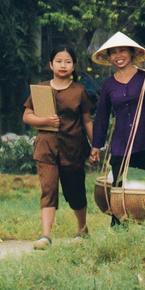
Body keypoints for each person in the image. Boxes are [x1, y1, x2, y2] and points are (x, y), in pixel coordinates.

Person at [87, 31, 145, 225]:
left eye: (122, 51)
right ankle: (119, 232)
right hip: (121, 146)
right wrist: (96, 145)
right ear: (109, 57)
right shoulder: (108, 85)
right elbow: (103, 116)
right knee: (119, 191)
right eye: (113, 52)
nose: (118, 56)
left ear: (131, 53)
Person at [21, 44, 94, 246]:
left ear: (74, 66)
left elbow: (87, 120)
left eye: (68, 62)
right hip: (46, 148)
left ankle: (82, 230)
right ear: (51, 64)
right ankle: (45, 235)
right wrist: (44, 121)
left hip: (73, 148)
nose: (63, 65)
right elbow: (27, 116)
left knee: (75, 190)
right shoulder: (40, 89)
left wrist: (96, 146)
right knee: (48, 189)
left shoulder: (79, 91)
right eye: (59, 61)